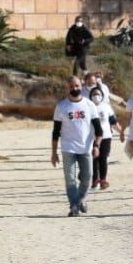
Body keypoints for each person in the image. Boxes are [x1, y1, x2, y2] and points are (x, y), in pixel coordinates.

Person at [51, 75, 102, 217]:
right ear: (67, 88)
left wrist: (96, 146)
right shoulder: (61, 107)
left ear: (82, 86)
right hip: (68, 148)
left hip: (86, 148)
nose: (74, 88)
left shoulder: (89, 105)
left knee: (88, 177)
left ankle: (80, 200)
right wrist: (54, 152)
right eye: (72, 86)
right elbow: (55, 132)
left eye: (77, 86)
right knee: (70, 179)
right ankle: (74, 206)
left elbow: (99, 130)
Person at [86, 81, 119, 191]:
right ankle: (95, 180)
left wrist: (121, 132)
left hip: (106, 136)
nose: (96, 96)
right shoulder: (87, 107)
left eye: (98, 94)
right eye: (94, 94)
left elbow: (113, 121)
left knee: (103, 158)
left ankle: (103, 179)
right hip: (92, 137)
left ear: (102, 96)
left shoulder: (106, 107)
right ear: (90, 96)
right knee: (94, 159)